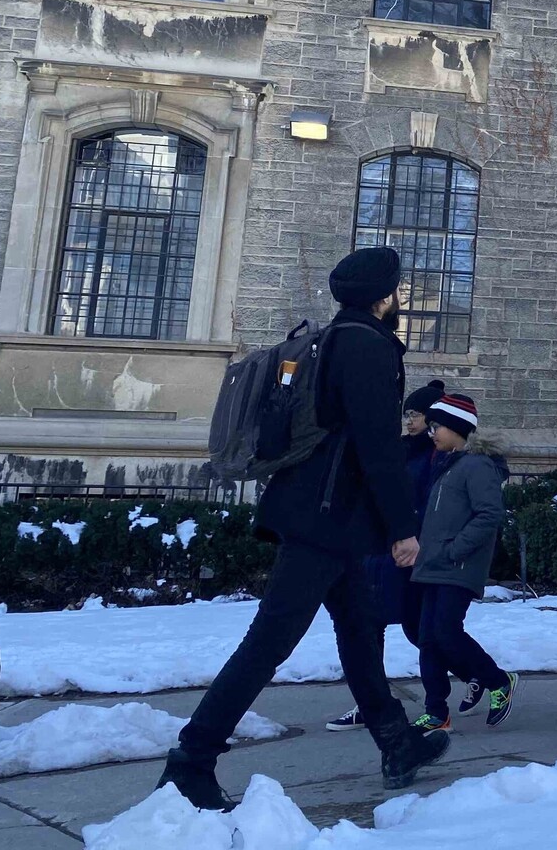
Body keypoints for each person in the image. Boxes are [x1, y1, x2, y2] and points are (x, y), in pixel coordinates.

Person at [158, 247, 449, 811]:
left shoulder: (333, 338)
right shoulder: (367, 345)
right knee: (269, 642)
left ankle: (396, 742)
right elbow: (377, 446)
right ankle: (191, 761)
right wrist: (402, 526)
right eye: (399, 289)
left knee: (361, 631)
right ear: (385, 297)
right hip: (327, 519)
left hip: (323, 514)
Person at [328, 379, 448, 731]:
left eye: (415, 414)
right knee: (369, 626)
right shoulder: (398, 450)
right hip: (378, 553)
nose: (409, 421)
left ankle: (477, 673)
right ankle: (371, 702)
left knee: (420, 629)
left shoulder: (435, 458)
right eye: (407, 414)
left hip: (410, 554)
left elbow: (427, 506)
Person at [409, 393, 517, 731]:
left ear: (458, 428)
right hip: (432, 565)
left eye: (437, 426)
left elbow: (489, 514)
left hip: (457, 566)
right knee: (428, 638)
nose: (432, 432)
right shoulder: (447, 464)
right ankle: (437, 711)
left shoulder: (477, 465)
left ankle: (498, 681)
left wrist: (455, 550)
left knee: (446, 632)